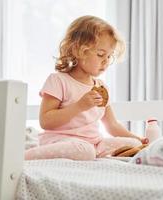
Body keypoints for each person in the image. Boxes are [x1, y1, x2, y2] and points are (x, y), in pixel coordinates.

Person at [25, 15, 148, 161]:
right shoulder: (58, 80)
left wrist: (139, 139)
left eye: (109, 56)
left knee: (132, 144)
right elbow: (45, 121)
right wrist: (79, 106)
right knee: (84, 151)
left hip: (95, 144)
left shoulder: (101, 87)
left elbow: (112, 125)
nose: (106, 61)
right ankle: (23, 157)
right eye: (101, 54)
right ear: (79, 50)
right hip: (61, 141)